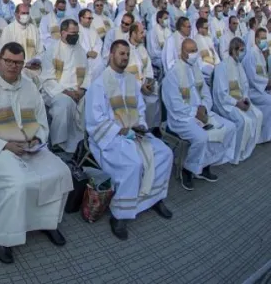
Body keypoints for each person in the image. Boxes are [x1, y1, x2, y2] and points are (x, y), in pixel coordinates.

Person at [0, 42, 72, 264]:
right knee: (19, 182)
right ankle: (3, 237)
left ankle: (47, 222)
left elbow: (41, 119)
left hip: (29, 147)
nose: (13, 66)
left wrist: (37, 138)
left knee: (61, 172)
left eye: (18, 62)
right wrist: (4, 145)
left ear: (23, 64)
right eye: (9, 61)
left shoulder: (29, 87)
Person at [85, 40, 174, 241]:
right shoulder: (99, 84)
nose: (124, 58)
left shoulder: (132, 81)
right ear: (111, 55)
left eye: (127, 54)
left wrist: (140, 125)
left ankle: (155, 198)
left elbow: (140, 109)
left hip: (135, 133)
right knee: (133, 164)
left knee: (165, 153)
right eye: (121, 54)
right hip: (110, 138)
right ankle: (120, 215)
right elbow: (94, 120)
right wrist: (120, 130)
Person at [162, 39, 237, 190]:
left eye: (195, 50)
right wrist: (194, 113)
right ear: (181, 53)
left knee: (230, 127)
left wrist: (205, 109)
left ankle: (204, 164)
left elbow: (205, 93)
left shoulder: (195, 69)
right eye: (189, 51)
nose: (193, 54)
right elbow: (174, 105)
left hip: (201, 113)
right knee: (201, 137)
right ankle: (187, 169)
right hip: (181, 118)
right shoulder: (173, 74)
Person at [39, 19, 89, 153]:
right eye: (72, 33)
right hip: (56, 91)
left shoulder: (80, 50)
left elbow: (88, 74)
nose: (76, 36)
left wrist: (83, 89)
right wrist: (67, 92)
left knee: (91, 101)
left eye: (77, 33)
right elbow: (47, 78)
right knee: (64, 104)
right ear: (62, 33)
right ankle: (59, 145)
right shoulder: (52, 50)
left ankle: (82, 144)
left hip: (78, 91)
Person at [212, 37, 264, 163]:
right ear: (233, 50)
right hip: (226, 104)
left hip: (240, 101)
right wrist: (236, 103)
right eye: (241, 50)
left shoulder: (239, 65)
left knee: (258, 115)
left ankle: (246, 149)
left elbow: (245, 85)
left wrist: (245, 99)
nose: (243, 53)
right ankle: (235, 154)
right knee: (243, 121)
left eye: (244, 50)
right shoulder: (222, 67)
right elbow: (221, 93)